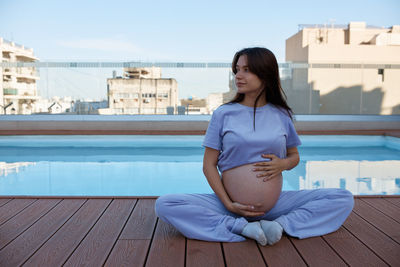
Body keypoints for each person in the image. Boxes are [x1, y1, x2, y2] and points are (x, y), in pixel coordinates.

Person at [155, 47, 354, 246]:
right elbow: (208, 165)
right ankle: (239, 226)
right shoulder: (223, 114)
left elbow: (294, 156)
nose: (238, 76)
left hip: (275, 206)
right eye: (237, 70)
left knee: (342, 197)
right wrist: (229, 204)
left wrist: (282, 164)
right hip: (229, 206)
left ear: (265, 74)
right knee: (165, 204)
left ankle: (280, 224)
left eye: (246, 70)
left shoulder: (282, 114)